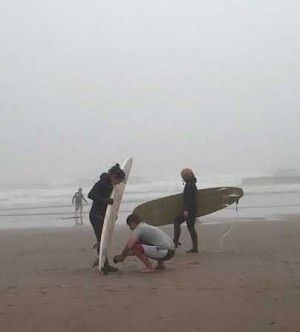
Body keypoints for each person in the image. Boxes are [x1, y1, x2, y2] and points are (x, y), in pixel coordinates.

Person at [88, 163, 126, 273]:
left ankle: (102, 260)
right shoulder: (102, 183)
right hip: (96, 215)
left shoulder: (110, 184)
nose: (119, 183)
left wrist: (113, 214)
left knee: (104, 239)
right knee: (103, 239)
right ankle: (103, 264)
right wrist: (105, 200)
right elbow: (90, 195)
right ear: (114, 176)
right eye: (119, 180)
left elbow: (110, 204)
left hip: (103, 215)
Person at [173, 168, 198, 253]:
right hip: (192, 209)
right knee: (191, 227)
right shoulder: (192, 184)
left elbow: (189, 199)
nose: (182, 178)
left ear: (186, 176)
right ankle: (195, 248)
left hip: (189, 210)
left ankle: (175, 242)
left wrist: (186, 210)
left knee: (177, 222)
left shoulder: (189, 185)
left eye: (183, 176)